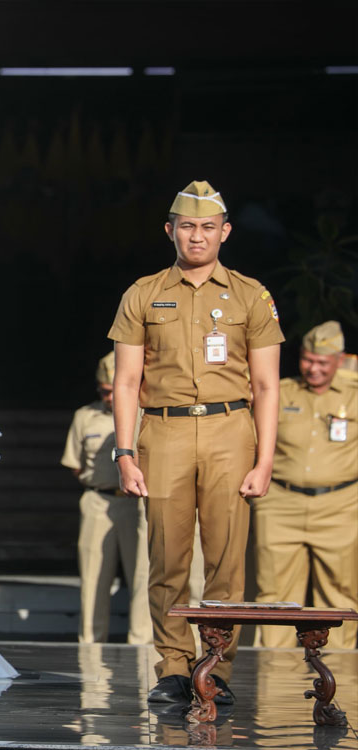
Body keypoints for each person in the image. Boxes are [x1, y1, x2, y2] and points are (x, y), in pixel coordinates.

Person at [108, 180, 283, 705]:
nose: (198, 236)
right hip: (165, 430)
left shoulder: (250, 294)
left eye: (208, 227)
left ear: (225, 232)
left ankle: (215, 667)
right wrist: (124, 452)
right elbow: (126, 381)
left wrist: (265, 460)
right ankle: (173, 667)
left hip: (231, 428)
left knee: (227, 561)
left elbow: (267, 385)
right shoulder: (143, 293)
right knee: (167, 558)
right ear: (170, 231)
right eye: (188, 226)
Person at [253, 320, 357, 648]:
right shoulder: (282, 392)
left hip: (340, 505)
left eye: (322, 362)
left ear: (340, 360)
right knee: (274, 595)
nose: (313, 369)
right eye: (307, 360)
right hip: (281, 503)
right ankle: (273, 671)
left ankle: (339, 674)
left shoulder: (354, 394)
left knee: (339, 594)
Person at [61, 352, 150, 645]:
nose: (111, 397)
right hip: (99, 500)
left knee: (143, 575)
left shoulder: (147, 415)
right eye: (105, 391)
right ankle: (90, 641)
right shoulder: (86, 416)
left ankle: (141, 642)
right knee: (93, 575)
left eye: (115, 390)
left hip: (138, 503)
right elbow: (75, 463)